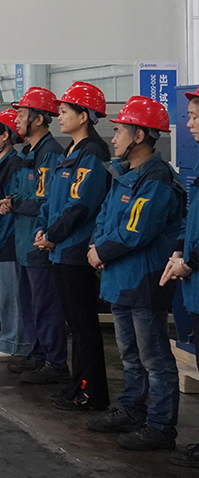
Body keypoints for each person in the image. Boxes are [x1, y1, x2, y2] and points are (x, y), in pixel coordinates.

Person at [84, 96, 183, 450]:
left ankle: (160, 426)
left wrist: (101, 252)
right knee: (129, 354)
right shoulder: (125, 174)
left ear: (139, 136)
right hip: (121, 280)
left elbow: (136, 230)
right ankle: (131, 409)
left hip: (143, 281)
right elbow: (104, 215)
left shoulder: (157, 179)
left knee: (153, 358)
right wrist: (95, 245)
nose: (113, 138)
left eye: (119, 131)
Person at [36, 81, 112, 411]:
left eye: (65, 111)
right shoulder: (71, 151)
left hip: (75, 250)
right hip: (59, 248)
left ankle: (90, 392)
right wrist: (44, 230)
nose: (60, 116)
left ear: (84, 116)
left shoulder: (92, 153)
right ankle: (77, 385)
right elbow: (53, 199)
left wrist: (53, 234)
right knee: (75, 326)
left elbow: (81, 205)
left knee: (83, 326)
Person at [4, 88, 70, 384]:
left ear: (39, 119)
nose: (16, 119)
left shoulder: (50, 153)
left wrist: (17, 204)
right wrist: (11, 200)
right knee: (29, 303)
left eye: (21, 114)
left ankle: (55, 361)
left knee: (45, 305)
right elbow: (24, 191)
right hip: (23, 240)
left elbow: (47, 199)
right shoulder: (27, 153)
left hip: (37, 241)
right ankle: (38, 353)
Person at [164, 89, 199, 468]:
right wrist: (178, 251)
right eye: (188, 115)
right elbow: (192, 221)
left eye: (195, 116)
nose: (188, 123)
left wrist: (190, 262)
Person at [0, 108, 29, 362]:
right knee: (0, 295)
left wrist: (2, 237)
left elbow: (11, 206)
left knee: (11, 295)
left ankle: (15, 341)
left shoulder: (12, 165)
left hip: (6, 239)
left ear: (6, 136)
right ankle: (5, 336)